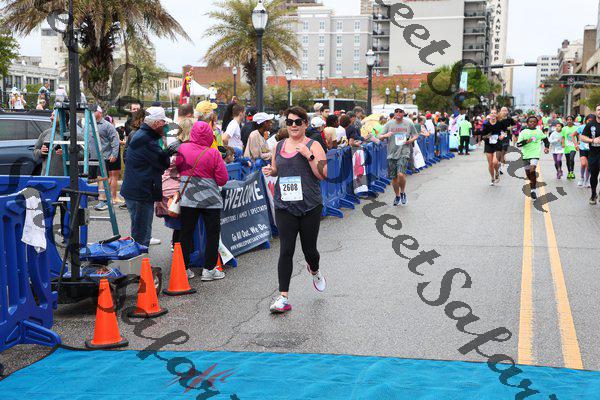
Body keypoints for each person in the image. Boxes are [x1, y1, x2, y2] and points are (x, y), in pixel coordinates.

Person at [262, 106, 328, 314]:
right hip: (285, 205)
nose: (293, 126)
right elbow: (277, 169)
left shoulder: (314, 145)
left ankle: (314, 270)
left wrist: (309, 156)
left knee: (310, 251)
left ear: (305, 124)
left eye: (298, 122)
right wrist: (271, 170)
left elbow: (323, 174)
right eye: (289, 122)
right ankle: (283, 297)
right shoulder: (279, 145)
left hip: (310, 205)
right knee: (286, 250)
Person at [176, 121, 228, 280]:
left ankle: (184, 268)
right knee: (212, 234)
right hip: (210, 200)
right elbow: (222, 179)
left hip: (188, 198)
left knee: (186, 234)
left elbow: (178, 168)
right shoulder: (213, 153)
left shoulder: (182, 148)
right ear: (209, 136)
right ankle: (209, 269)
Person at [120, 107, 172, 247]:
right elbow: (164, 163)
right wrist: (167, 149)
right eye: (163, 122)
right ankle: (140, 259)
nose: (165, 126)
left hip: (138, 189)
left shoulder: (143, 135)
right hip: (140, 191)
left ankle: (141, 257)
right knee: (141, 233)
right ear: (156, 123)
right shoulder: (146, 139)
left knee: (141, 229)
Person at [156, 117, 194, 256]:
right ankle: (181, 250)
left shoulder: (172, 146)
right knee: (183, 221)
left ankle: (176, 245)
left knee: (177, 220)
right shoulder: (186, 149)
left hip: (166, 186)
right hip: (177, 189)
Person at [378, 108, 419, 206]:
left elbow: (416, 135)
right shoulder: (389, 124)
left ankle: (403, 192)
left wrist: (410, 141)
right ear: (394, 113)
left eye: (400, 111)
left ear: (403, 113)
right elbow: (379, 136)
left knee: (401, 174)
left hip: (404, 152)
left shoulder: (408, 123)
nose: (398, 113)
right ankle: (397, 196)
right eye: (396, 111)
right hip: (391, 153)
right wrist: (385, 135)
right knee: (394, 177)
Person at [93, 106, 121, 211]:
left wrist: (114, 154)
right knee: (99, 178)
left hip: (104, 156)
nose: (92, 113)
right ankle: (103, 199)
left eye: (94, 111)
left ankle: (103, 200)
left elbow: (115, 141)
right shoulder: (89, 124)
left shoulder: (107, 125)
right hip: (93, 156)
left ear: (100, 113)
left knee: (102, 178)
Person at [516, 116, 550, 199]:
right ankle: (532, 184)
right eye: (530, 122)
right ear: (527, 123)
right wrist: (526, 141)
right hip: (525, 155)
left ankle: (533, 190)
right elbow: (518, 144)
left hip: (535, 154)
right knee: (528, 174)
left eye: (534, 122)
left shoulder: (539, 132)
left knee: (532, 169)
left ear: (537, 123)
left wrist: (546, 147)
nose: (532, 123)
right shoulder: (523, 132)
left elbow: (546, 140)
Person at [480, 109, 511, 186]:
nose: (493, 114)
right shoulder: (486, 124)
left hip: (497, 145)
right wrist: (487, 136)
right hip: (488, 145)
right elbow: (482, 136)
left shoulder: (499, 123)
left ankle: (497, 172)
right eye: (492, 113)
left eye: (495, 113)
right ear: (489, 115)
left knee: (495, 162)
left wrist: (502, 135)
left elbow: (505, 131)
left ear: (496, 115)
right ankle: (492, 178)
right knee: (490, 164)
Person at [580, 105, 600, 204]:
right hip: (594, 153)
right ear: (596, 112)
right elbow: (582, 137)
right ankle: (593, 194)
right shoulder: (591, 124)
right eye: (599, 110)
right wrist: (592, 140)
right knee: (594, 176)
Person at [574, 114, 593, 187]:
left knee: (588, 166)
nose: (590, 122)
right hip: (582, 148)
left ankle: (587, 180)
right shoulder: (581, 127)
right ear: (586, 121)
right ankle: (581, 178)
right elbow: (573, 135)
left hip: (591, 149)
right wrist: (576, 144)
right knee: (583, 164)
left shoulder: (595, 128)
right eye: (589, 120)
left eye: (592, 121)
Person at [561, 116, 578, 180]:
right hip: (567, 146)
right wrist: (563, 143)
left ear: (572, 121)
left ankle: (572, 172)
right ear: (566, 121)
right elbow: (563, 137)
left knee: (571, 158)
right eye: (568, 120)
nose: (569, 121)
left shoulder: (576, 128)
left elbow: (578, 135)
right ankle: (569, 172)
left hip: (573, 146)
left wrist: (578, 141)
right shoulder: (564, 128)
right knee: (568, 160)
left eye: (570, 119)